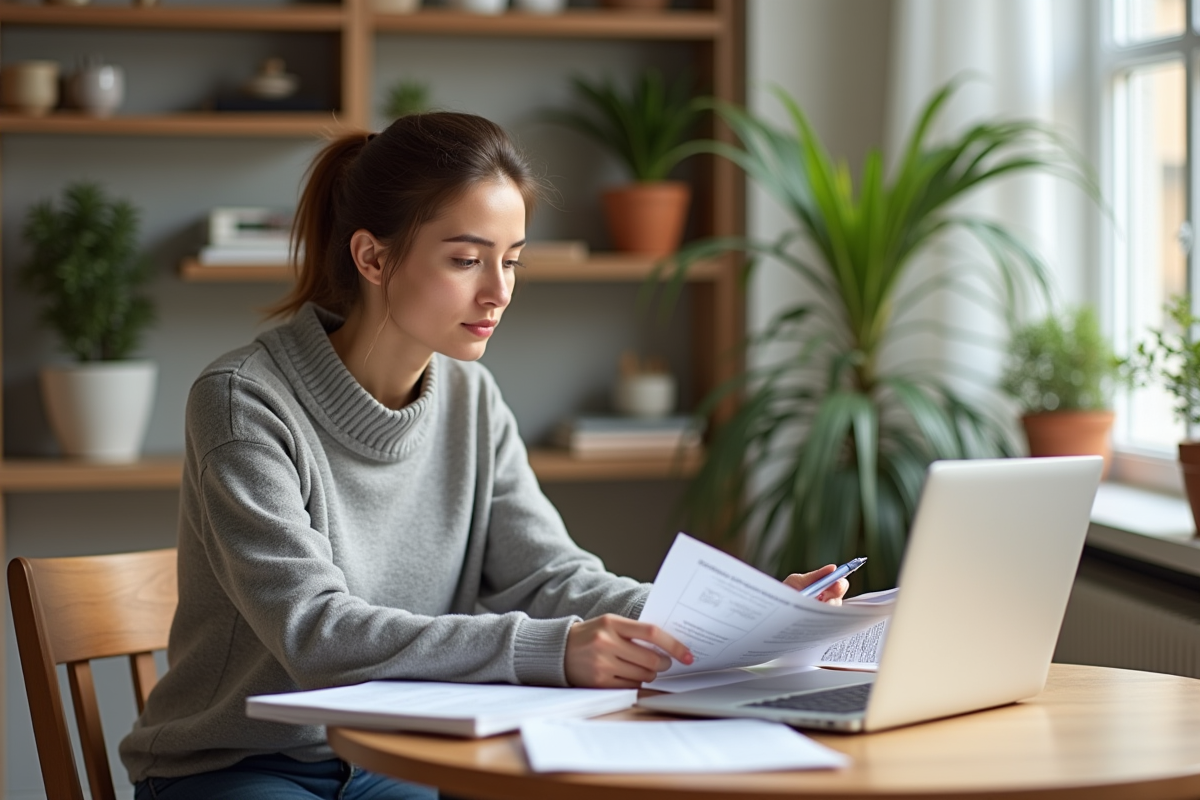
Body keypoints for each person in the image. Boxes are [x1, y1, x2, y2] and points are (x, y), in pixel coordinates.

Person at [119, 111, 848, 800]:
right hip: (236, 764)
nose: (498, 292)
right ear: (373, 256)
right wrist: (554, 651)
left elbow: (550, 575)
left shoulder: (471, 398)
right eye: (467, 259)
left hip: (385, 750)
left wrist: (731, 619)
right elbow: (318, 635)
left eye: (512, 261)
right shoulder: (243, 401)